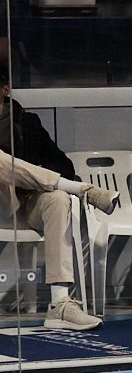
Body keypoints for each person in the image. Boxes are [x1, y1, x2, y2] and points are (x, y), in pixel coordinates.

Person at [1, 70, 115, 329]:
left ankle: (60, 305)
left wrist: (34, 175)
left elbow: (63, 164)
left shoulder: (26, 123)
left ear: (5, 90)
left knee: (59, 200)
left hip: (26, 203)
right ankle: (84, 190)